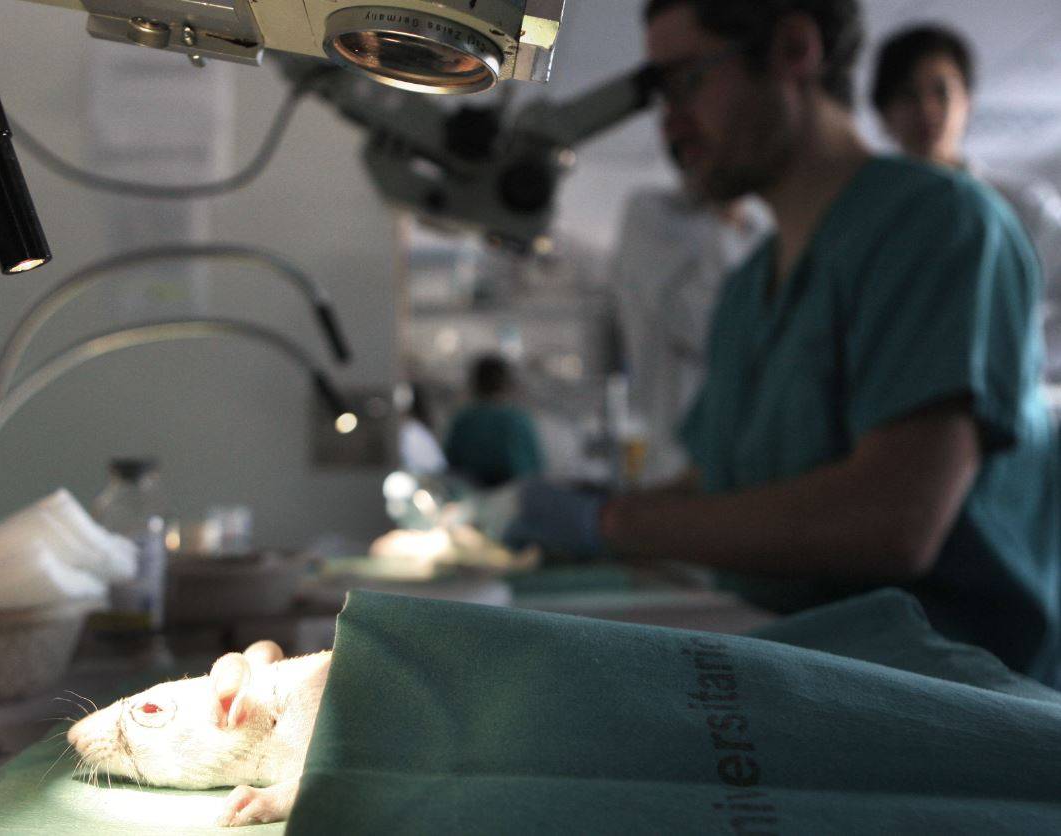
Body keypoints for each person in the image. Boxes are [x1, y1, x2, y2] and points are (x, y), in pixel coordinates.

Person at [503, 0, 1061, 685]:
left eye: (686, 82)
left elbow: (892, 517)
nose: (671, 122)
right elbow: (724, 476)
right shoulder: (747, 291)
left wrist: (614, 523)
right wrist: (580, 509)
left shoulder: (940, 226)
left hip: (960, 706)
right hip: (807, 676)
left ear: (795, 49)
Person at [871, 24, 1061, 388]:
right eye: (908, 95)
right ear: (884, 112)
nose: (927, 110)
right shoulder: (864, 222)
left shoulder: (1023, 207)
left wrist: (1018, 354)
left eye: (941, 92)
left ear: (967, 102)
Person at [611, 146, 771, 484]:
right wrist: (724, 222)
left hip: (757, 456)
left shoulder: (759, 230)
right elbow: (703, 328)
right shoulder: (653, 216)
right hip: (677, 457)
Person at [443, 354, 544, 488]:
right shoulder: (517, 419)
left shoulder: (463, 419)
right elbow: (533, 469)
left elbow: (450, 464)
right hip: (512, 497)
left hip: (472, 497)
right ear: (506, 383)